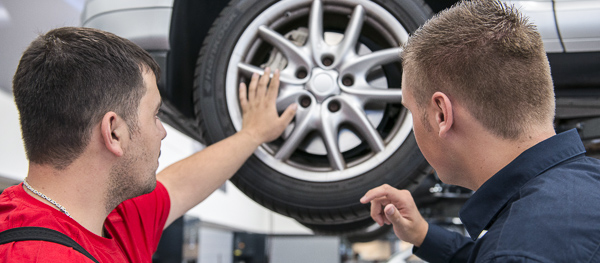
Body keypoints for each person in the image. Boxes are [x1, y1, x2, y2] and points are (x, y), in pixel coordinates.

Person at [0, 27, 296, 262]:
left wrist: (253, 133)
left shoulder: (110, 220)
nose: (162, 132)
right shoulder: (38, 255)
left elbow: (180, 185)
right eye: (155, 115)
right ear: (114, 132)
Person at [360, 1, 600, 262]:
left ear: (442, 114)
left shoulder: (518, 251)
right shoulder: (585, 187)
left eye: (411, 111)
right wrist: (423, 235)